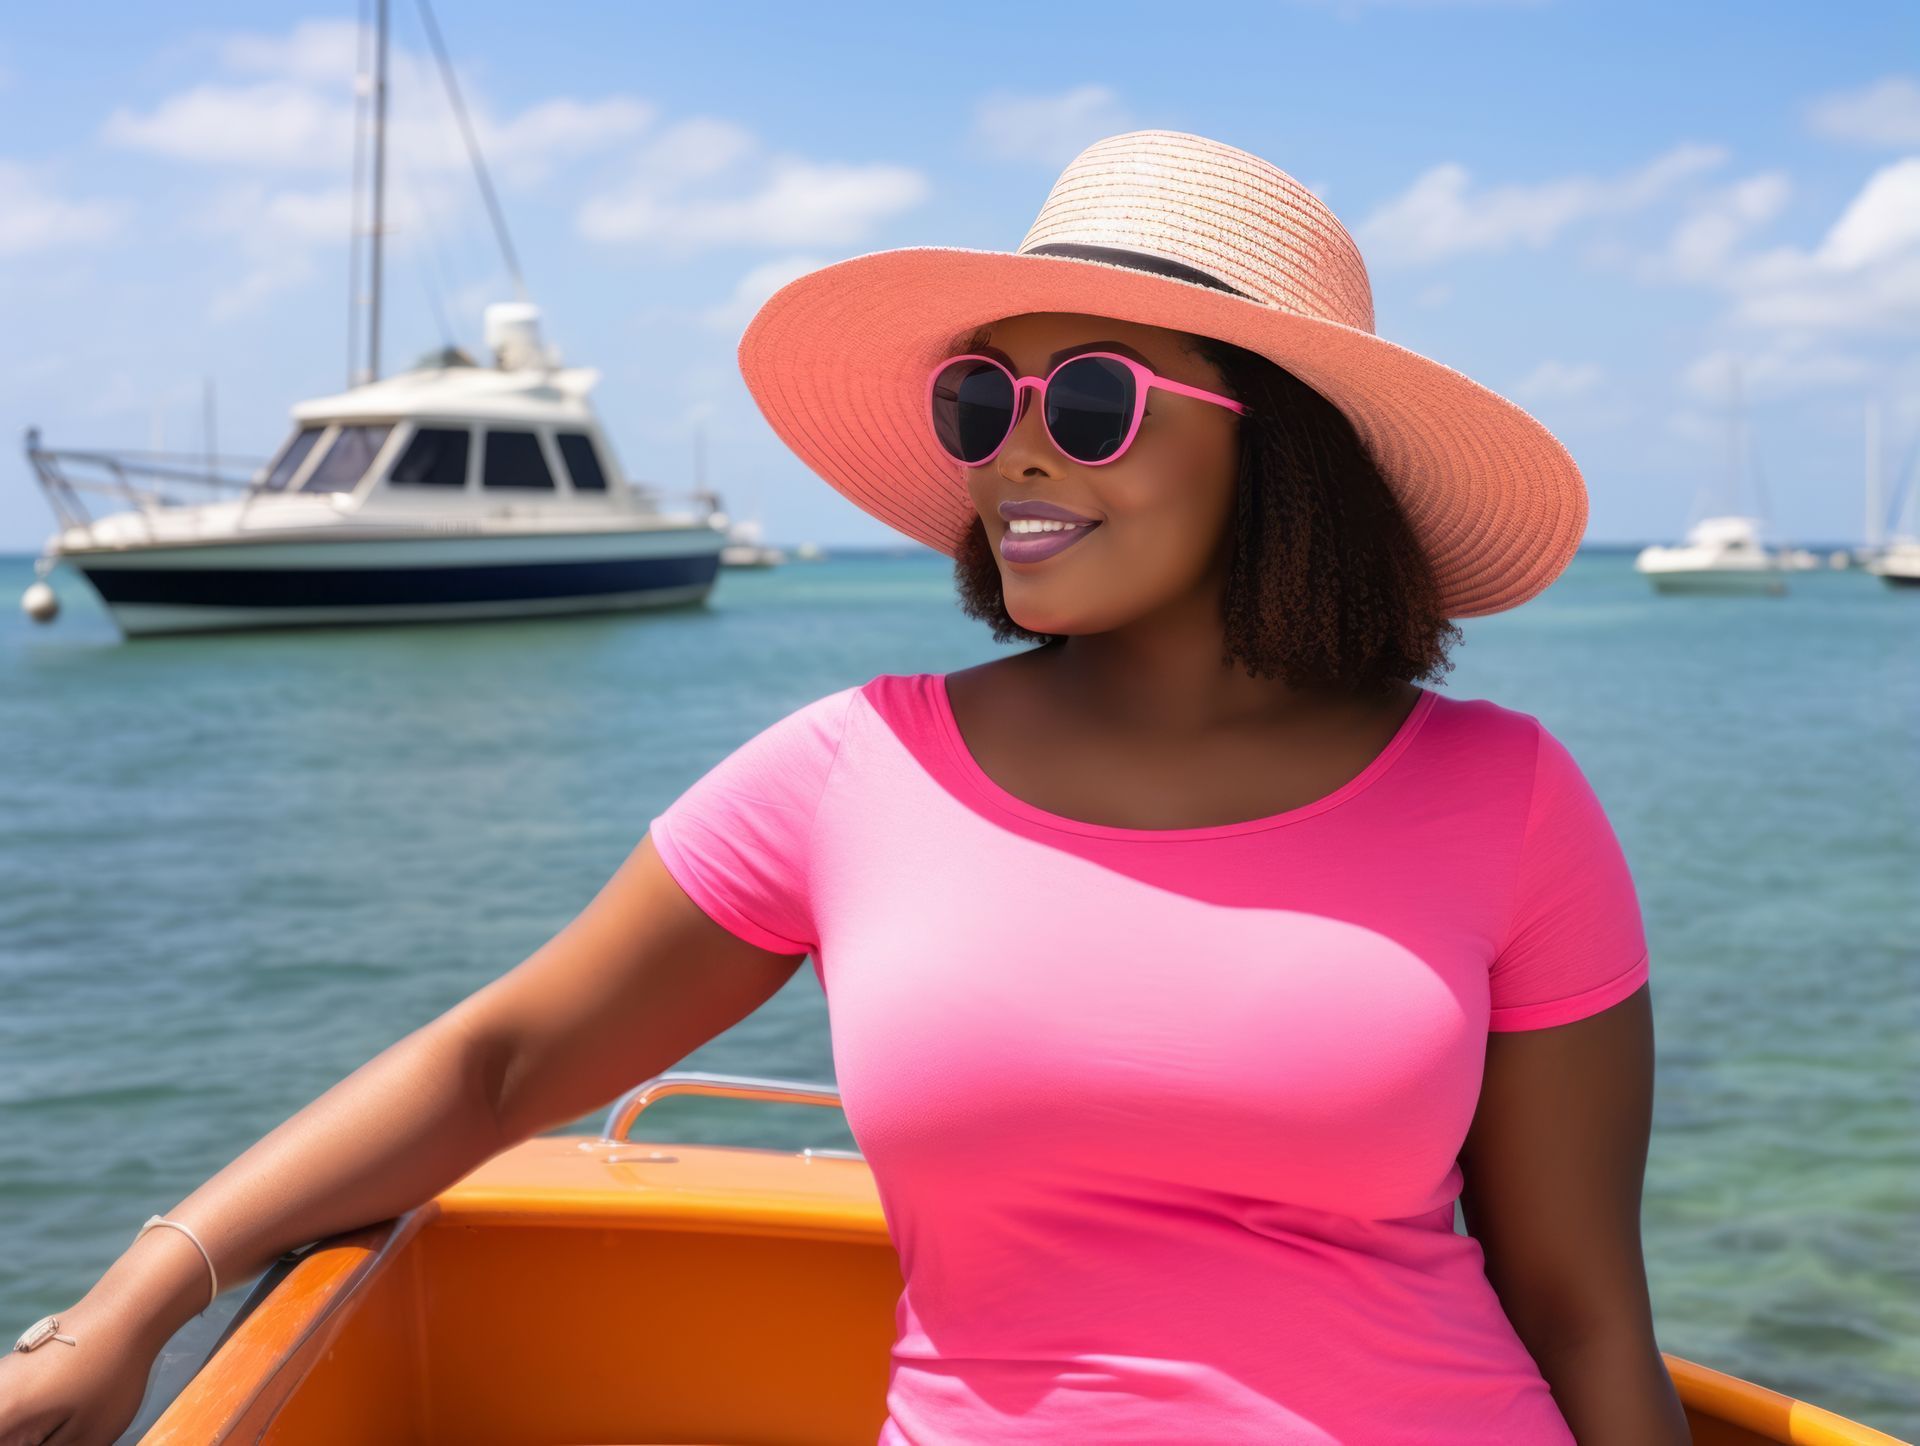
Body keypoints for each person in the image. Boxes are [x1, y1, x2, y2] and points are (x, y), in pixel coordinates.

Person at [1, 130, 1688, 1445]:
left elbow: (1582, 1301)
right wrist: (132, 1304)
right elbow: (498, 1061)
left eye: (1092, 397)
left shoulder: (1508, 796)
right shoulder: (854, 772)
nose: (1015, 447)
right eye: (983, 396)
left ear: (1278, 441)